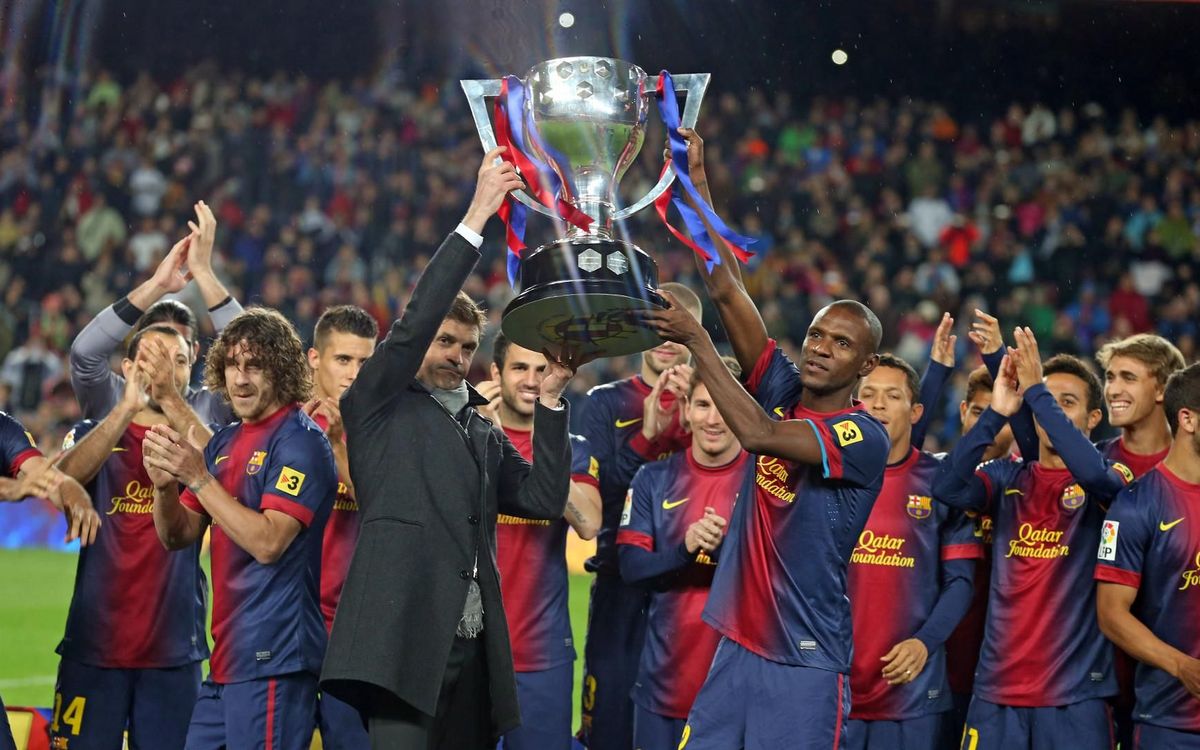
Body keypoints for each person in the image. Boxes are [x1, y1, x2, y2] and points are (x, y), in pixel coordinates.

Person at [319, 148, 581, 750]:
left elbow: (543, 499)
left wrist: (552, 401)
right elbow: (415, 321)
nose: (456, 357)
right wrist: (477, 215)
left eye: (467, 347)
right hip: (400, 644)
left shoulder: (481, 429)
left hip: (472, 647)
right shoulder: (379, 403)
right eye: (444, 342)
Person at [647, 126, 889, 748]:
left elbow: (758, 434)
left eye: (842, 343)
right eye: (817, 334)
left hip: (804, 661)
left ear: (866, 365)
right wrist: (696, 184)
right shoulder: (784, 386)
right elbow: (726, 290)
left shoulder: (862, 436)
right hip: (738, 645)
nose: (821, 348)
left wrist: (698, 342)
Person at [143, 307, 337, 750]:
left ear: (283, 370)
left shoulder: (301, 441)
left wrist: (198, 478)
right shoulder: (227, 441)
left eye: (255, 366)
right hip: (227, 661)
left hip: (276, 660)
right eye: (232, 365)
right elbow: (178, 536)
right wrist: (164, 488)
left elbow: (269, 542)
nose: (241, 379)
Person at [932, 328, 1133, 749]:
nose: (1051, 410)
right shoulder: (1008, 476)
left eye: (1066, 403)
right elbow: (947, 487)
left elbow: (1093, 473)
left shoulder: (1109, 479)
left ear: (1093, 419)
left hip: (1075, 696)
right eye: (1046, 401)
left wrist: (1038, 391)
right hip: (996, 691)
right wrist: (997, 413)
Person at [51, 325, 208, 749]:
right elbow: (56, 482)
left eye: (178, 362)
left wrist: (171, 403)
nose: (165, 372)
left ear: (190, 372)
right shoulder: (93, 432)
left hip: (173, 653)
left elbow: (228, 476)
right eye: (153, 360)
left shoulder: (200, 442)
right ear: (127, 368)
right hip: (94, 647)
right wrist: (124, 410)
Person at [577, 282, 700, 750]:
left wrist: (692, 425)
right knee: (609, 726)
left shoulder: (714, 407)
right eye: (656, 325)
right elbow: (601, 497)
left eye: (676, 327)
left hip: (691, 588)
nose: (666, 339)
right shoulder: (605, 402)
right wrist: (647, 438)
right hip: (619, 584)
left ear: (694, 333)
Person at [844, 354, 981, 750]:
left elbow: (960, 582)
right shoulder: (829, 478)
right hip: (836, 685)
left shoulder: (940, 483)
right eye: (868, 394)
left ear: (916, 411)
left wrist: (925, 642)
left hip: (912, 691)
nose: (878, 404)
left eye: (892, 396)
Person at [475, 334, 602, 750]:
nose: (532, 380)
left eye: (541, 370)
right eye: (519, 368)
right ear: (496, 373)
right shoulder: (464, 439)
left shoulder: (572, 450)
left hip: (540, 654)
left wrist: (537, 449)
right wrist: (483, 437)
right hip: (471, 649)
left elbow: (589, 524)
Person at [617, 358, 750, 750]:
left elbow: (779, 579)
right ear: (687, 410)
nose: (714, 419)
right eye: (704, 405)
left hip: (737, 695)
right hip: (662, 690)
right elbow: (631, 567)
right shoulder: (653, 479)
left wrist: (723, 548)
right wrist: (685, 550)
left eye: (725, 406)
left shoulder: (765, 481)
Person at [1096, 362, 1200, 749]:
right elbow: (1111, 614)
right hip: (1170, 723)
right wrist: (1181, 666)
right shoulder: (1137, 504)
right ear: (1188, 419)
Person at [69, 201, 241, 427]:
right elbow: (84, 354)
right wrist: (156, 285)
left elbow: (248, 351)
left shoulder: (212, 407)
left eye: (178, 356)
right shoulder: (112, 398)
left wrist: (203, 271)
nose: (164, 370)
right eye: (154, 353)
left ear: (193, 354)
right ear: (132, 358)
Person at [302, 304, 378, 750]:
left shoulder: (382, 431)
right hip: (290, 624)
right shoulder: (285, 423)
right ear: (315, 358)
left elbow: (384, 507)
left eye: (365, 362)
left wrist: (336, 445)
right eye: (343, 359)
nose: (354, 373)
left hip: (352, 632)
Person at [0, 413, 97, 750]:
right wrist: (11, 489)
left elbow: (42, 474)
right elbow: (21, 485)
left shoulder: (4, 429)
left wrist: (70, 492)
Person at [1095, 333, 1185, 476]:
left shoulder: (1193, 465)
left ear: (1162, 390)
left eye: (1129, 378)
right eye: (1110, 378)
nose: (1112, 391)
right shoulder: (1092, 462)